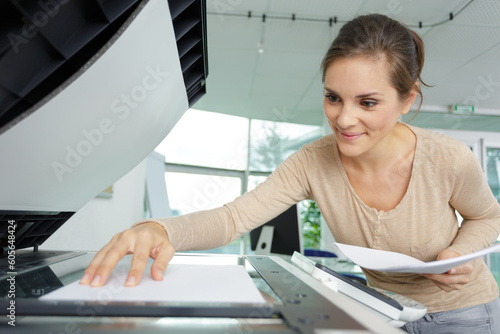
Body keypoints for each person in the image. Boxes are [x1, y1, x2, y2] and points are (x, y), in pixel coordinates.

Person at [80, 13, 500, 333]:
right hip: (383, 309)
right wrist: (161, 230)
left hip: (465, 311)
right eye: (333, 97)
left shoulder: (447, 159)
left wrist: (456, 254)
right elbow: (232, 219)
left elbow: (488, 216)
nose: (344, 119)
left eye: (367, 103)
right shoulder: (313, 162)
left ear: (406, 99)